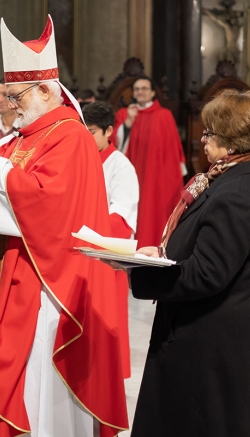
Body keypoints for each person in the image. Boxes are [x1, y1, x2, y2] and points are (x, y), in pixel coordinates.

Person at [0, 16, 128, 437]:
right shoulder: (26, 135)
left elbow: (49, 202)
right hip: (14, 270)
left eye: (16, 95)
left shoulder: (69, 135)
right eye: (9, 95)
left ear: (46, 90)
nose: (11, 104)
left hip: (50, 282)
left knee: (41, 381)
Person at [127, 90, 250, 436]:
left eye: (210, 132)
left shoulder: (238, 193)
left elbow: (207, 274)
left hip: (210, 355)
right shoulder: (238, 178)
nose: (203, 138)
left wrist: (137, 272)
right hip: (211, 347)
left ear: (232, 141)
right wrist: (164, 255)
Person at [83, 100, 139, 378]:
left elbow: (122, 220)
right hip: (79, 255)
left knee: (106, 330)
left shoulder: (121, 167)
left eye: (90, 131)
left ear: (108, 131)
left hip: (105, 259)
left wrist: (87, 231)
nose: (85, 137)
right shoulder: (79, 162)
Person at [111, 76, 187, 248]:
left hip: (155, 177)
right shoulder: (124, 114)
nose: (140, 92)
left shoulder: (164, 116)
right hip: (131, 174)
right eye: (137, 89)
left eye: (144, 88)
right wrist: (129, 122)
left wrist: (174, 174)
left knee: (153, 213)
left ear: (153, 93)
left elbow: (173, 149)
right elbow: (114, 144)